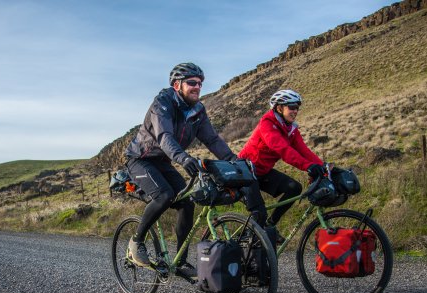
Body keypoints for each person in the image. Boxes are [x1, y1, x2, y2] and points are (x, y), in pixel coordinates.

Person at [125, 62, 236, 278]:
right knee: (165, 195)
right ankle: (136, 241)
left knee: (186, 201)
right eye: (192, 83)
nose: (197, 87)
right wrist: (183, 158)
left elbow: (212, 139)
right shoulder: (163, 103)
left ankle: (181, 262)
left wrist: (233, 160)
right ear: (177, 85)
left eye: (200, 83)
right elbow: (164, 136)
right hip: (140, 159)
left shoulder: (197, 110)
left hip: (163, 162)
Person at [238, 89, 324, 242]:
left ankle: (270, 226)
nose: (295, 111)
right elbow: (283, 149)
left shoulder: (290, 129)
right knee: (259, 212)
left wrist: (322, 167)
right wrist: (307, 167)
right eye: (291, 107)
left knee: (294, 188)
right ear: (279, 108)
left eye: (297, 107)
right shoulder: (267, 123)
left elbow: (303, 150)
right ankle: (247, 243)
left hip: (262, 171)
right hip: (244, 172)